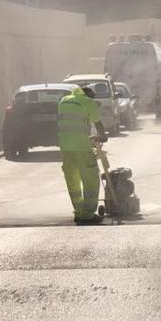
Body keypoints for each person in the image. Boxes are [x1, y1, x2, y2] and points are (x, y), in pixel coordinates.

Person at [58, 86, 107, 225]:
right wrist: (103, 136)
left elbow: (74, 123)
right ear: (88, 95)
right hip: (82, 147)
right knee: (90, 179)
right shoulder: (87, 102)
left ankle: (79, 212)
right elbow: (98, 123)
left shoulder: (64, 101)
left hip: (65, 147)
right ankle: (89, 214)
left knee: (72, 179)